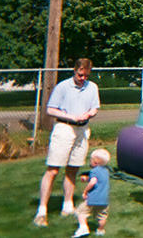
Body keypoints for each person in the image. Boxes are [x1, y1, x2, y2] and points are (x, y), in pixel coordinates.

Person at [34, 58, 101, 227]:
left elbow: (95, 107)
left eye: (86, 75)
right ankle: (42, 211)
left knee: (73, 168)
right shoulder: (63, 86)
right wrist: (71, 116)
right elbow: (50, 109)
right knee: (53, 170)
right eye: (80, 74)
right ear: (74, 70)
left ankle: (68, 205)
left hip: (82, 130)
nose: (82, 78)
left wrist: (89, 114)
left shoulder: (92, 87)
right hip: (64, 129)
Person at [72, 148, 110, 237]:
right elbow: (98, 180)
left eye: (91, 160)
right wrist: (86, 179)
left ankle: (83, 228)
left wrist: (85, 191)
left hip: (93, 198)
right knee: (102, 216)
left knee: (81, 212)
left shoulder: (94, 171)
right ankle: (100, 230)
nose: (90, 162)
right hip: (104, 199)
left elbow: (93, 182)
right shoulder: (106, 171)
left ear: (96, 162)